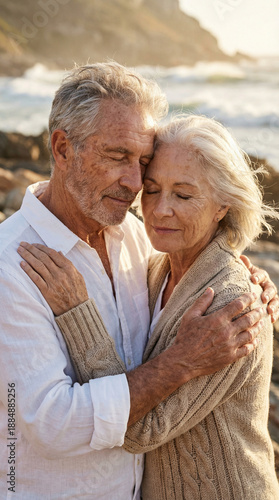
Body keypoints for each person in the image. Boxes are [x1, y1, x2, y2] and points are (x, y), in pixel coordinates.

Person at [0, 63, 277, 500]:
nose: (134, 186)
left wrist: (252, 278)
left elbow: (199, 268)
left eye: (143, 162)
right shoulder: (11, 266)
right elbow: (52, 423)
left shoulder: (132, 237)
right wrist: (181, 361)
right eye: (117, 157)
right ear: (62, 147)